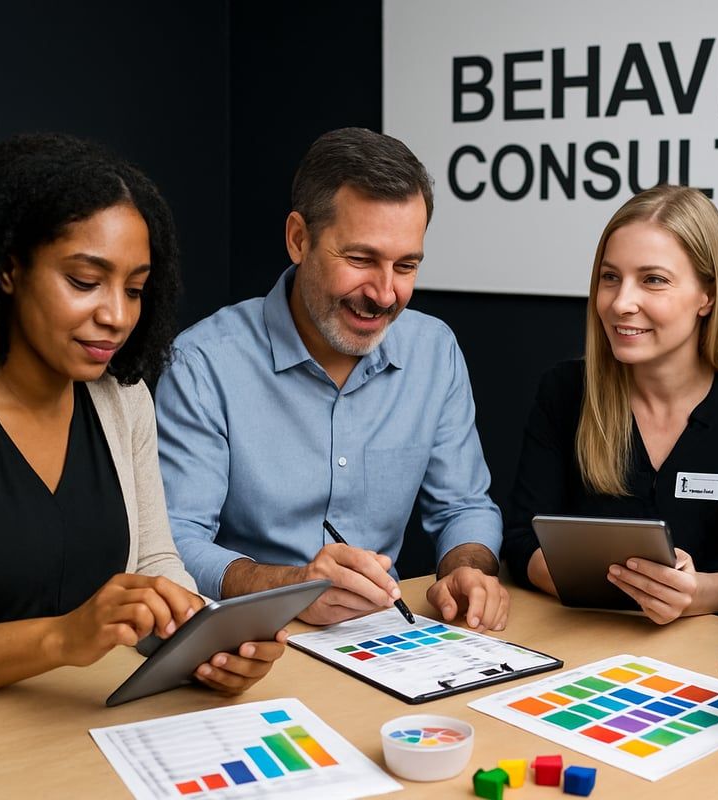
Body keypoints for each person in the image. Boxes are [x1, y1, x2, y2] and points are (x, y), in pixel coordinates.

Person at [0, 133, 286, 699]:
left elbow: (157, 562)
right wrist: (62, 638)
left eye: (135, 290)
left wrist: (205, 640)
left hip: (88, 721)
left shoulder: (122, 399)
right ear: (8, 269)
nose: (117, 315)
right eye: (84, 282)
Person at [155, 128, 507, 630]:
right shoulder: (202, 363)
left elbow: (465, 506)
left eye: (405, 266)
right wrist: (290, 586)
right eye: (361, 259)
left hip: (387, 637)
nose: (386, 294)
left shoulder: (435, 350)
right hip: (252, 638)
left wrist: (466, 570)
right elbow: (175, 539)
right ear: (299, 239)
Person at [502, 185, 718, 623]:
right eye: (610, 278)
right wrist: (628, 590)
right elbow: (521, 540)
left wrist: (694, 594)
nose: (621, 303)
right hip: (580, 637)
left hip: (703, 649)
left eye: (653, 280)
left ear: (708, 295)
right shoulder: (565, 390)